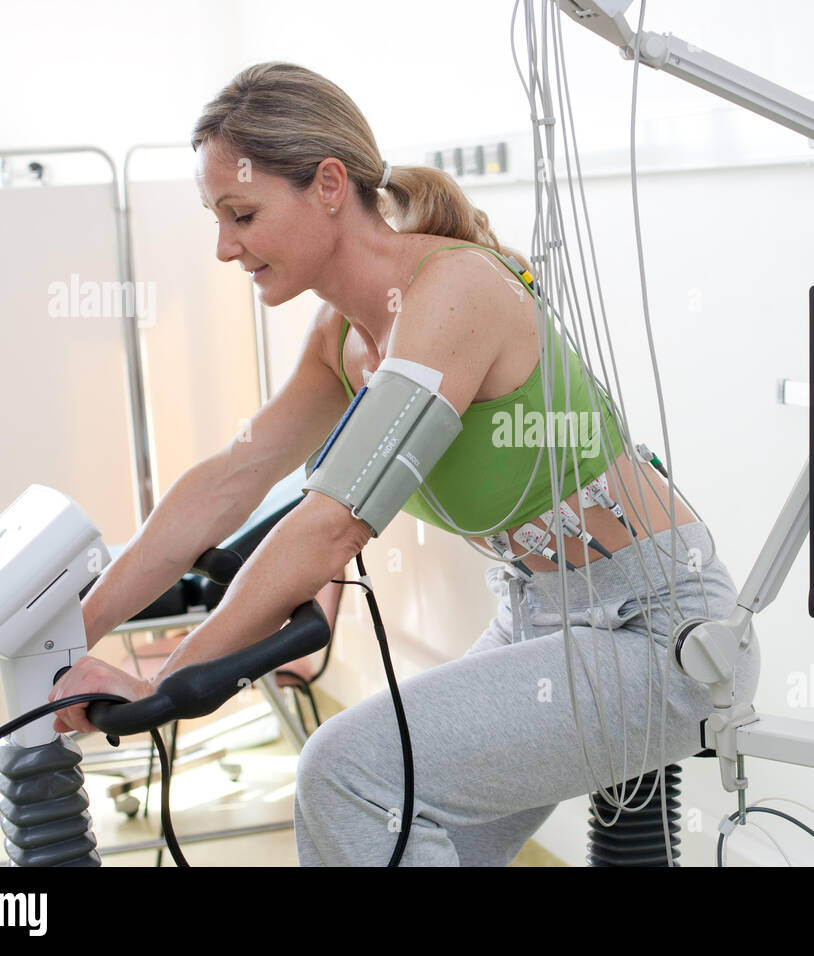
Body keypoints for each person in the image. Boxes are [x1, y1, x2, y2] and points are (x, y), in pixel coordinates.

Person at [49, 61, 761, 866]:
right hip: (538, 619)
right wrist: (69, 635)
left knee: (349, 774)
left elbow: (329, 527)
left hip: (660, 634)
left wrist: (167, 681)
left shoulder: (454, 292)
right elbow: (227, 482)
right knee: (395, 825)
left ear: (326, 184)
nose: (223, 247)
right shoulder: (345, 340)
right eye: (217, 219)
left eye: (241, 214)